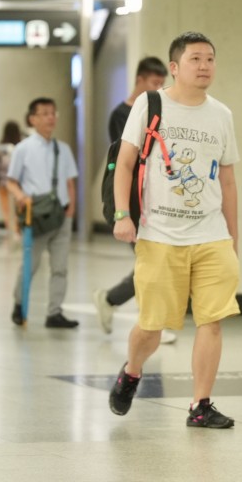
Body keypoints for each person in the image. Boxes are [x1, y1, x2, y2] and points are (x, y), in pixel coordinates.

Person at [108, 31, 240, 429]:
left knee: (211, 320)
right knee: (153, 324)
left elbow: (229, 182)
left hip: (211, 233)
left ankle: (200, 404)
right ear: (175, 67)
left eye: (210, 59)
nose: (204, 66)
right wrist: (121, 215)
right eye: (196, 59)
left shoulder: (222, 114)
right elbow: (125, 164)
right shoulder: (150, 105)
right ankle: (132, 370)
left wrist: (232, 240)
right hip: (159, 235)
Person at [92, 56, 175, 344]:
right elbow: (129, 156)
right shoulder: (121, 113)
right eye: (154, 82)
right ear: (140, 79)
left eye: (161, 83)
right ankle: (150, 322)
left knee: (152, 262)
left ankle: (113, 300)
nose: (158, 88)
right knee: (150, 264)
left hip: (157, 198)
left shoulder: (160, 110)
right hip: (132, 199)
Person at [6, 98, 79, 328]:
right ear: (32, 119)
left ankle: (54, 312)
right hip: (35, 216)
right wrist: (21, 197)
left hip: (61, 214)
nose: (50, 118)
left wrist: (71, 211)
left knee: (60, 267)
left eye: (53, 113)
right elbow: (11, 181)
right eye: (45, 113)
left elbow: (69, 182)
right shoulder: (23, 149)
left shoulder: (63, 149)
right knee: (31, 264)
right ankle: (19, 303)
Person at [0, 120, 22, 244]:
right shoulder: (20, 146)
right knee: (17, 208)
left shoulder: (0, 147)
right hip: (16, 182)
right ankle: (15, 231)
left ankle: (12, 231)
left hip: (2, 182)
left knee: (6, 210)